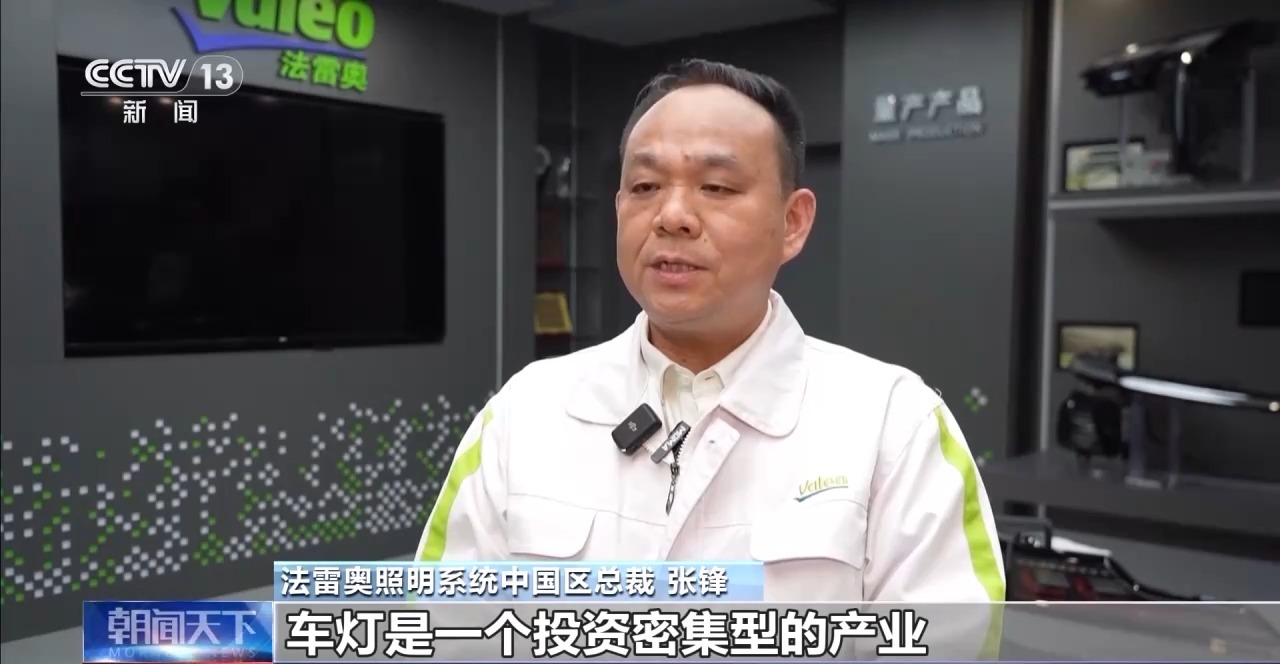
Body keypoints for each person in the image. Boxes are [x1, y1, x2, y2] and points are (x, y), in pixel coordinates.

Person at [416, 59, 1005, 604]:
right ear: (619, 209)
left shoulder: (894, 425)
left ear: (793, 222)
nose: (672, 215)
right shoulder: (526, 411)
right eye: (645, 187)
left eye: (716, 187)